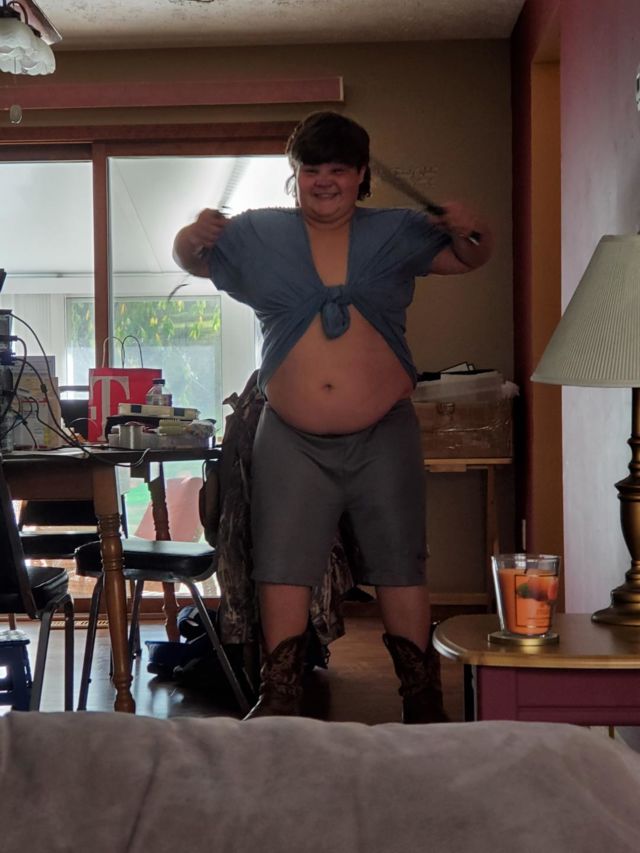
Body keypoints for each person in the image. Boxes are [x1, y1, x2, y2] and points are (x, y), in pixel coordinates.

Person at [172, 111, 493, 723]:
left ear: (361, 175)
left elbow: (469, 255)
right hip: (290, 436)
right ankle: (279, 696)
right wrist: (192, 234)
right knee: (281, 565)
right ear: (295, 175)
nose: (324, 181)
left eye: (339, 170)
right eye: (311, 169)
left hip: (384, 432)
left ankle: (422, 700)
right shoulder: (259, 232)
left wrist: (472, 226)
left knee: (401, 563)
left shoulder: (396, 231)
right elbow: (195, 260)